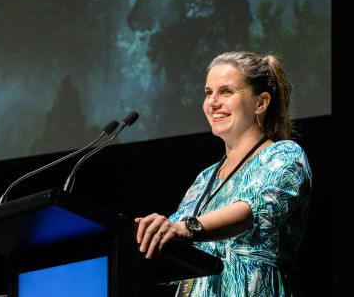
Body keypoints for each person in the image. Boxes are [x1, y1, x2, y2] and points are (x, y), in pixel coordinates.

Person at [134, 51, 312, 296]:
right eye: (209, 93)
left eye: (226, 91)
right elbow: (172, 239)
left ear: (261, 103)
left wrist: (187, 228)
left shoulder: (284, 156)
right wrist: (149, 233)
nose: (213, 102)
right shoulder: (204, 179)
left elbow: (255, 208)